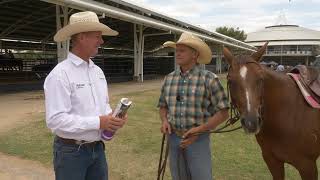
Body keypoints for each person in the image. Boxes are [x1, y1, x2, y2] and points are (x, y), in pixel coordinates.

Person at [44, 11, 127, 180]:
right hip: (71, 153)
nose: (102, 41)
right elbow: (55, 120)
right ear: (82, 37)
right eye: (98, 36)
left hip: (97, 149)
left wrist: (112, 119)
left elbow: (103, 106)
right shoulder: (60, 74)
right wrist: (99, 122)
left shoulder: (98, 72)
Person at [158, 32, 230, 180]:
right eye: (176, 50)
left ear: (195, 55)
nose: (177, 53)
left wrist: (200, 130)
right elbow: (163, 106)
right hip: (174, 138)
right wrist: (164, 121)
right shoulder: (169, 79)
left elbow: (223, 112)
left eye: (182, 50)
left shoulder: (209, 79)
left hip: (199, 140)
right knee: (178, 177)